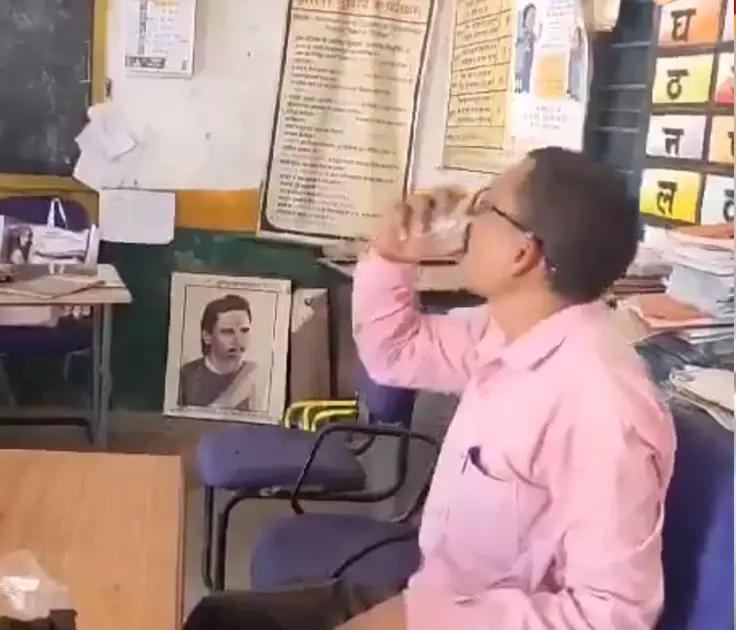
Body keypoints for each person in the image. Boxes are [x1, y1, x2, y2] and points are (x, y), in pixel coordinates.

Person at [184, 148, 674, 630]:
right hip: (435, 596)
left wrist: (419, 621)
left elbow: (609, 618)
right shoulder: (506, 331)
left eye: (485, 206)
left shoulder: (602, 407)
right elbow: (394, 353)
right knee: (219, 619)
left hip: (466, 619)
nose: (467, 222)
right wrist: (390, 255)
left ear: (522, 252)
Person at [177, 294, 263, 412]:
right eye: (227, 331)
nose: (238, 339)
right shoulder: (186, 375)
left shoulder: (257, 376)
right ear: (207, 336)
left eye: (244, 330)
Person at [515, 4, 539, 94]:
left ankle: (524, 90)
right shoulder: (522, 32)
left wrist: (540, 32)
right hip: (521, 65)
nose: (533, 20)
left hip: (528, 65)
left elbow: (536, 39)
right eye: (532, 16)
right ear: (525, 18)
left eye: (534, 17)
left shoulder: (531, 34)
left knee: (526, 78)